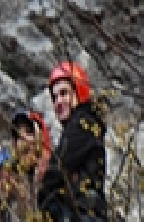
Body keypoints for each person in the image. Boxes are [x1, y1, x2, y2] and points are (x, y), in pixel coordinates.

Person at [37, 62, 107, 221]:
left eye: (64, 93)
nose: (58, 101)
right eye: (55, 97)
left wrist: (43, 192)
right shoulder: (83, 125)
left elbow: (58, 168)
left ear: (79, 91)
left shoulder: (83, 124)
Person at [10, 108, 51, 214]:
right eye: (18, 136)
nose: (23, 139)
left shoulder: (54, 176)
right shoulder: (16, 189)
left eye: (29, 132)